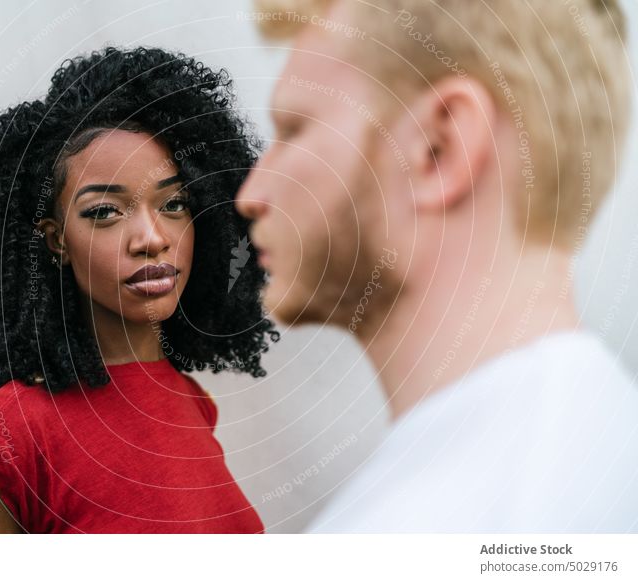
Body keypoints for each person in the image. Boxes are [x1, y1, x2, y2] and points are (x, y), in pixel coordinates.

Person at [237, 0, 638, 532]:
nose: (252, 194)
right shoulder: (600, 441)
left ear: (437, 147)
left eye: (294, 129)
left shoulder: (444, 526)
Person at [0, 46, 278, 533]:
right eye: (105, 212)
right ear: (56, 241)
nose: (153, 238)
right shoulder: (2, 442)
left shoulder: (190, 401)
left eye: (174, 203)